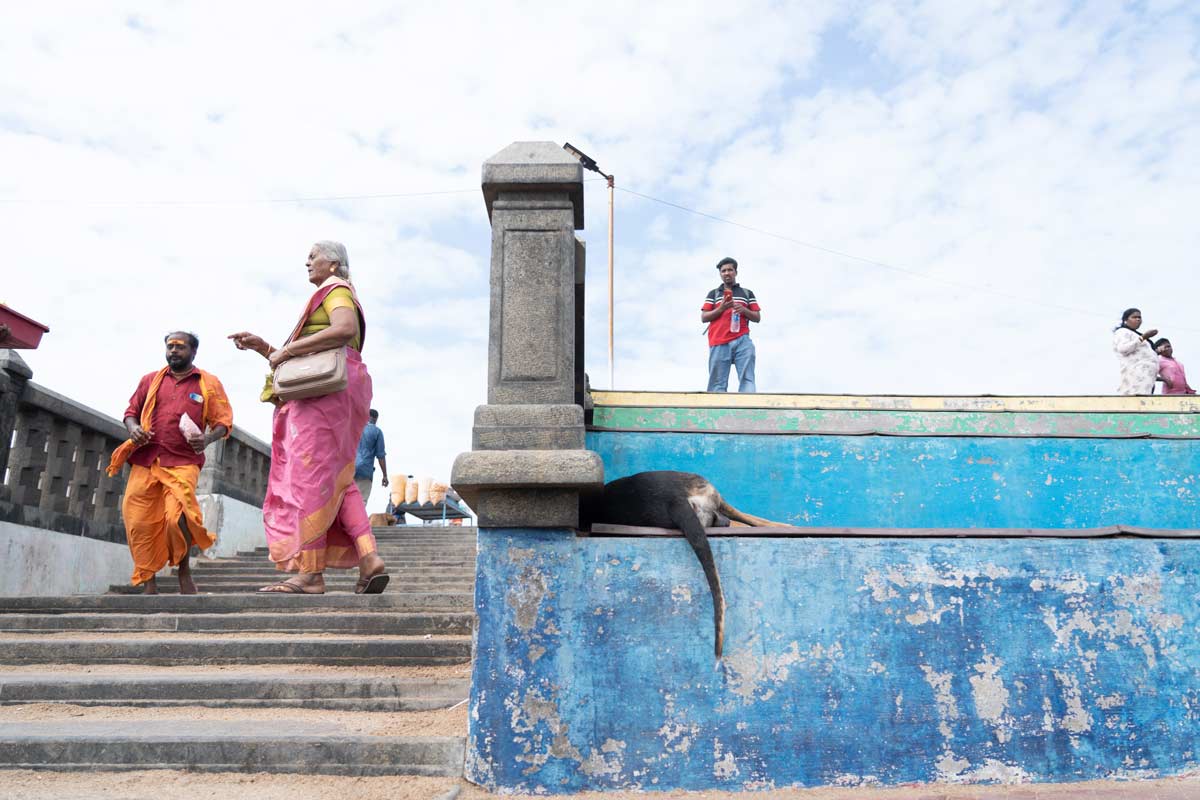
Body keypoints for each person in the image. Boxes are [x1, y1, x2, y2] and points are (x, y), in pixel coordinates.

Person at [229, 241, 389, 595]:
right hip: (339, 393)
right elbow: (306, 363)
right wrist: (265, 348)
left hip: (323, 401)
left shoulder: (336, 290)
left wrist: (287, 349)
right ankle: (368, 558)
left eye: (313, 255)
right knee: (340, 482)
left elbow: (343, 329)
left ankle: (311, 573)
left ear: (333, 263)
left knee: (308, 480)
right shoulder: (336, 293)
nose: (307, 262)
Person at [106, 332, 233, 594]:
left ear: (193, 352)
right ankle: (148, 580)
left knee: (179, 517)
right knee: (139, 521)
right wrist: (133, 429)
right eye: (170, 346)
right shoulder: (150, 380)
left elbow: (223, 422)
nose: (174, 351)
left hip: (183, 460)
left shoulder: (208, 383)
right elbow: (130, 413)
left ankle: (184, 571)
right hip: (146, 458)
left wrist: (207, 438)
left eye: (180, 347)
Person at [700, 257, 761, 392]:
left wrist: (744, 310)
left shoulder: (746, 293)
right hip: (719, 341)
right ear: (720, 274)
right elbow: (704, 317)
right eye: (723, 271)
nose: (727, 273)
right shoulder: (714, 293)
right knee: (717, 383)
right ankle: (716, 410)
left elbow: (757, 317)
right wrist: (721, 308)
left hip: (742, 340)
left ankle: (748, 407)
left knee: (748, 379)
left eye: (730, 270)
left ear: (735, 272)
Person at [1112, 308, 1160, 396]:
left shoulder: (1135, 334)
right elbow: (1123, 349)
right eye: (1134, 317)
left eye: (1139, 317)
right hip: (1137, 374)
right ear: (1125, 320)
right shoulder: (1122, 332)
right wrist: (1143, 337)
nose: (1138, 319)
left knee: (1144, 400)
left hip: (1147, 376)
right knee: (1138, 399)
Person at [354, 409, 388, 504]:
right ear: (376, 419)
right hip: (365, 471)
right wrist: (385, 475)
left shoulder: (355, 428)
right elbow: (381, 456)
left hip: (348, 470)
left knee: (345, 502)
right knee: (361, 502)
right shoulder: (377, 432)